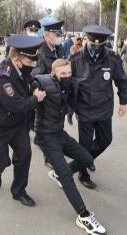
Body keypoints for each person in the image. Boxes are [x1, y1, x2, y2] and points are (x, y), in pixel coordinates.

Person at [34, 59, 106, 234]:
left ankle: (59, 174)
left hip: (59, 133)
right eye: (62, 73)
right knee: (67, 176)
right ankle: (84, 216)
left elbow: (86, 86)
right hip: (46, 136)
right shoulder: (42, 82)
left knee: (86, 158)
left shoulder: (71, 85)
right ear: (54, 73)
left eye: (69, 73)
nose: (66, 76)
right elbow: (27, 80)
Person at [0, 34, 46, 207]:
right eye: (30, 63)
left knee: (24, 155)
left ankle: (19, 191)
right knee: (1, 161)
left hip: (16, 124)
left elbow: (30, 79)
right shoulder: (1, 77)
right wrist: (36, 98)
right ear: (16, 59)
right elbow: (17, 104)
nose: (34, 65)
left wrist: (36, 86)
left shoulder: (21, 69)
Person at [69, 25, 127, 189]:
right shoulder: (75, 59)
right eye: (93, 45)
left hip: (104, 107)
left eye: (99, 46)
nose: (96, 49)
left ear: (104, 44)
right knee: (85, 144)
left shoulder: (112, 58)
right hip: (84, 108)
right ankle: (83, 174)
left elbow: (121, 81)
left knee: (106, 139)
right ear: (86, 40)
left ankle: (86, 159)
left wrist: (123, 101)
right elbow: (66, 84)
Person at [32, 17, 65, 168]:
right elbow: (36, 78)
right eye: (56, 35)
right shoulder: (40, 53)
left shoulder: (58, 49)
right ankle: (49, 158)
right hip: (47, 99)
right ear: (46, 35)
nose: (59, 37)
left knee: (55, 128)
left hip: (57, 97)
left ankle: (47, 146)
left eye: (60, 34)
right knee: (48, 130)